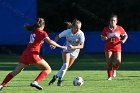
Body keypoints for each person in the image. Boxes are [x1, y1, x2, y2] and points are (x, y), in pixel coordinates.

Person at [0, 18, 67, 90]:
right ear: (43, 25)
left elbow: (47, 41)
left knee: (15, 71)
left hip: (25, 54)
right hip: (33, 54)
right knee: (48, 69)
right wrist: (61, 46)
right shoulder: (42, 33)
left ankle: (1, 85)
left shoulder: (34, 31)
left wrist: (53, 44)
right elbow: (50, 41)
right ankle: (35, 82)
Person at [48, 19, 85, 86]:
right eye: (76, 28)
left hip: (75, 51)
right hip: (66, 49)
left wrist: (74, 47)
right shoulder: (67, 32)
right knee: (65, 65)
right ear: (73, 26)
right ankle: (60, 80)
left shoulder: (81, 34)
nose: (78, 29)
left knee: (66, 68)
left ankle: (55, 77)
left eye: (79, 28)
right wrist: (54, 44)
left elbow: (82, 46)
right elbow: (58, 37)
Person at [101, 15, 128, 80]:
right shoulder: (106, 29)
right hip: (108, 47)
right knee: (109, 63)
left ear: (116, 21)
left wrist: (123, 40)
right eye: (111, 20)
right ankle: (109, 76)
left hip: (117, 46)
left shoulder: (120, 28)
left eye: (114, 20)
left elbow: (126, 35)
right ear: (109, 21)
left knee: (118, 61)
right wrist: (104, 37)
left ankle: (114, 69)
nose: (112, 22)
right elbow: (101, 37)